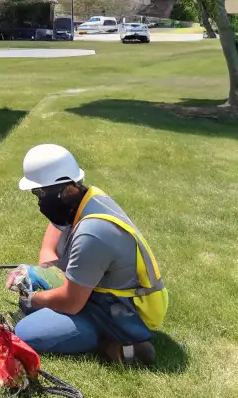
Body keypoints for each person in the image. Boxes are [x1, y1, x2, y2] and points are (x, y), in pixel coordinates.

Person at [10, 144, 168, 364]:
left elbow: (71, 302)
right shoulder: (84, 200)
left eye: (41, 193)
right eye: (36, 193)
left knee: (27, 331)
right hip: (97, 292)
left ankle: (116, 340)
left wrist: (34, 298)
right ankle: (105, 335)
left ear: (69, 189)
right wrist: (33, 274)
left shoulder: (92, 233)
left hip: (120, 309)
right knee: (33, 277)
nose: (38, 199)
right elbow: (49, 247)